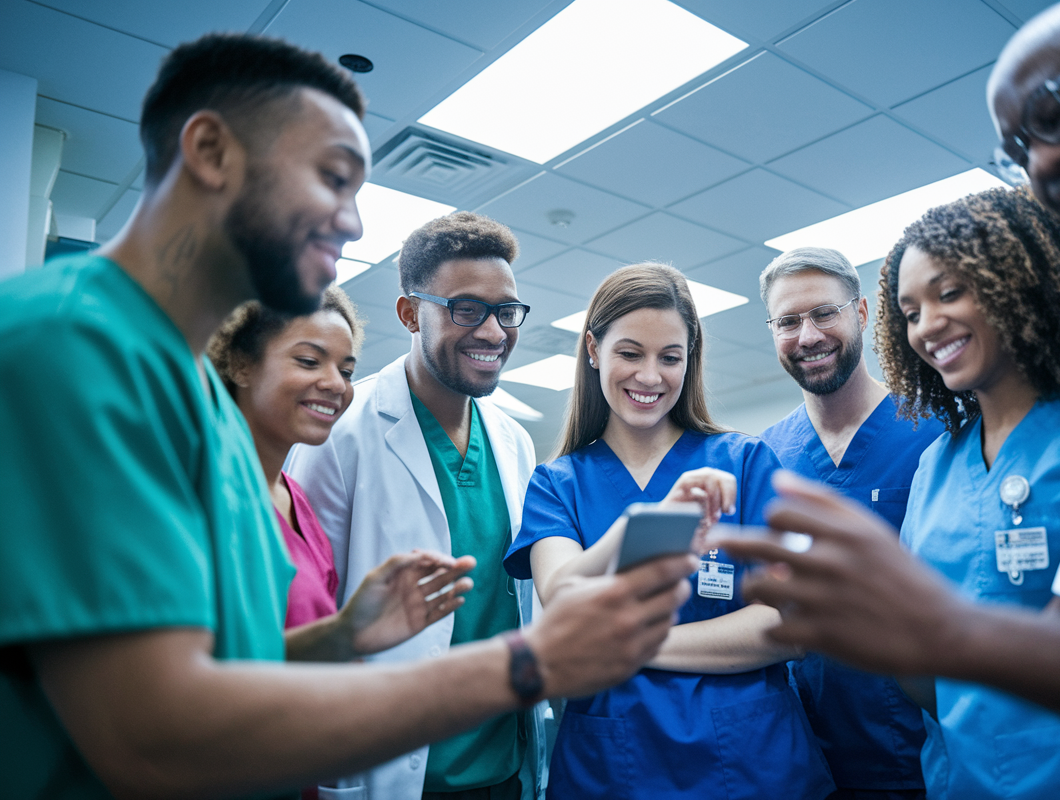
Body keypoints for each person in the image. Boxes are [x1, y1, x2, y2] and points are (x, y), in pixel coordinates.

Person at [0, 33, 693, 800]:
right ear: (209, 149)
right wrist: (527, 664)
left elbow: (235, 667)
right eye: (332, 177)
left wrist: (341, 636)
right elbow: (152, 737)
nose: (354, 222)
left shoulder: (199, 400)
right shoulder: (73, 346)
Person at [714, 2, 1060, 798]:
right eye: (1017, 149)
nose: (1041, 163)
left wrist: (947, 633)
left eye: (1052, 113)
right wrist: (875, 632)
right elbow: (1048, 645)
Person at [503, 263, 834, 799]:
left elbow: (793, 625)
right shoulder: (558, 484)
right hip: (613, 765)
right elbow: (564, 602)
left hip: (752, 766)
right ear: (593, 350)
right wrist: (646, 524)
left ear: (690, 360)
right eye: (630, 353)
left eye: (670, 357)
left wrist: (630, 644)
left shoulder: (745, 463)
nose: (650, 377)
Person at [883, 186, 1060, 798]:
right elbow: (920, 661)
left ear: (1017, 283)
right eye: (910, 312)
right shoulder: (935, 467)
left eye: (949, 293)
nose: (927, 327)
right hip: (960, 776)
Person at [287, 211, 546, 800]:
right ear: (410, 313)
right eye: (465, 308)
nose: (492, 331)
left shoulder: (515, 442)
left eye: (506, 311)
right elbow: (308, 609)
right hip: (391, 766)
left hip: (503, 767)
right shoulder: (343, 431)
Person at [758, 247, 943, 799]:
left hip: (918, 751)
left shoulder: (934, 432)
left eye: (824, 313)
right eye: (787, 321)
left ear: (860, 313)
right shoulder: (764, 457)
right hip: (799, 755)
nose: (807, 335)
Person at [208, 288, 476, 663]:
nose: (336, 384)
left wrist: (346, 634)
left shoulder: (294, 500)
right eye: (308, 361)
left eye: (346, 371)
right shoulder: (202, 497)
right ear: (240, 364)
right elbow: (190, 672)